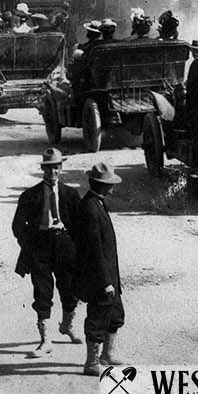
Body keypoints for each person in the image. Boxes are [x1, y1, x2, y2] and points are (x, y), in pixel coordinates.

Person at [12, 148, 83, 348]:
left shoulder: (70, 193)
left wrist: (75, 246)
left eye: (56, 168)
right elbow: (18, 226)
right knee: (42, 292)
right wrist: (30, 245)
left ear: (61, 168)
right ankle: (45, 339)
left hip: (64, 245)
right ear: (44, 169)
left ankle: (68, 325)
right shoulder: (30, 195)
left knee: (70, 289)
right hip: (40, 246)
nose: (53, 172)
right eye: (49, 168)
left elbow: (79, 224)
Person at [71, 162, 124, 377]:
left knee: (115, 314)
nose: (113, 187)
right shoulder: (91, 208)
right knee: (97, 317)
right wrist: (106, 281)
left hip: (109, 273)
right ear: (100, 185)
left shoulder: (98, 203)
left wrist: (114, 278)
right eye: (109, 184)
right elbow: (94, 249)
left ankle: (107, 354)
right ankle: (91, 363)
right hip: (98, 277)